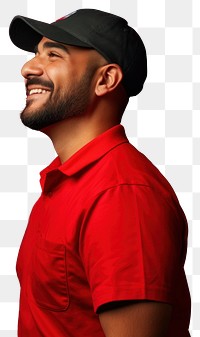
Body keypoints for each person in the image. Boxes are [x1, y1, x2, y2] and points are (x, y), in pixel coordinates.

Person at [9, 8, 191, 337]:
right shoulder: (63, 182)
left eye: (53, 55)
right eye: (36, 54)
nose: (28, 68)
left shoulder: (122, 195)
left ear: (105, 80)